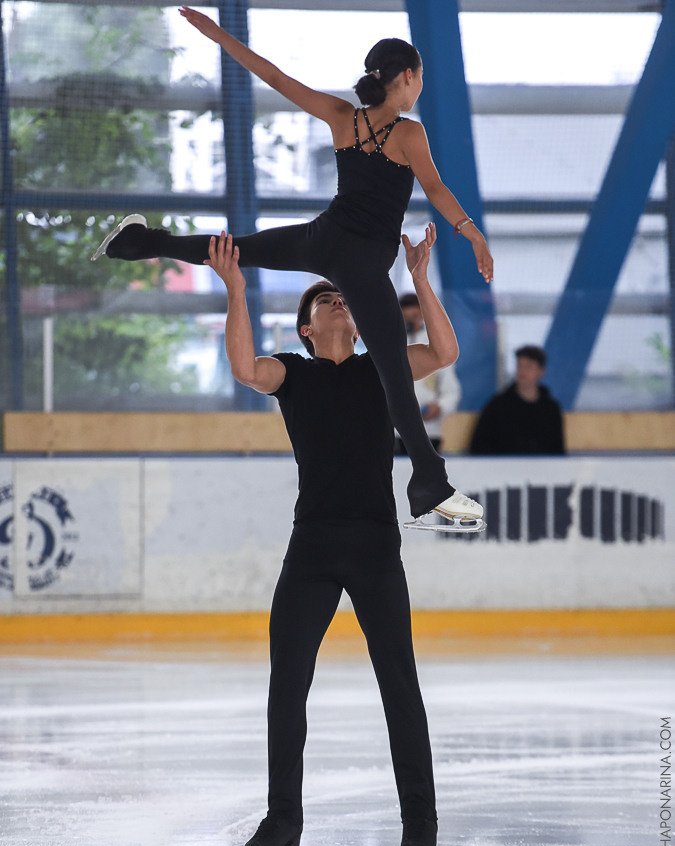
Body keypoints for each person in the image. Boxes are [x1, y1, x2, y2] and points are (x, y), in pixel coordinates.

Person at [91, 6, 491, 530]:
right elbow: (435, 190)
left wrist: (215, 33)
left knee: (236, 248)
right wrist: (471, 232)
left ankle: (138, 243)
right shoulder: (408, 133)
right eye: (419, 79)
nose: (419, 88)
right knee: (394, 375)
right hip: (364, 262)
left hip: (323, 241)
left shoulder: (342, 116)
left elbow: (274, 77)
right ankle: (429, 483)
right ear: (409, 76)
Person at [208, 225, 454, 846]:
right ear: (307, 330)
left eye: (341, 294)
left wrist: (418, 278)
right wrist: (235, 286)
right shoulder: (292, 374)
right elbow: (241, 367)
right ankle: (281, 822)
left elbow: (445, 351)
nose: (335, 299)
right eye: (322, 299)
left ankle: (419, 820)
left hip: (375, 548)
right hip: (311, 548)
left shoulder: (386, 369)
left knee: (398, 685)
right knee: (286, 687)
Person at [394, 292, 461, 455]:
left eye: (414, 315)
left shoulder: (435, 346)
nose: (410, 321)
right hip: (394, 433)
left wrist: (439, 406)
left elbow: (452, 391)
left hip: (428, 431)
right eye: (405, 316)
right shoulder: (390, 344)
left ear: (422, 315)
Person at [469, 345, 565, 455]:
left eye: (529, 366)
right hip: (502, 469)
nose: (522, 371)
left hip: (542, 470)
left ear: (541, 371)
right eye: (520, 365)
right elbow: (479, 446)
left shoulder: (551, 409)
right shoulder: (498, 406)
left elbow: (557, 450)